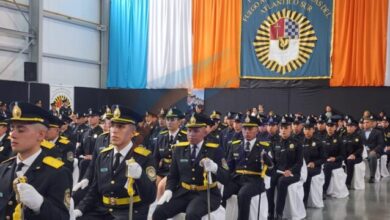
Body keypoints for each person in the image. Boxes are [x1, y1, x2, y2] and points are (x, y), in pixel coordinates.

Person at [74, 105, 157, 220]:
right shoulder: (103, 155)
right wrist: (80, 209)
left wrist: (140, 176)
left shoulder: (144, 157)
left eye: (121, 126)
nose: (114, 130)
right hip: (104, 210)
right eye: (112, 125)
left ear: (133, 133)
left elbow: (150, 197)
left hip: (129, 210)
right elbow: (95, 189)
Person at [0, 102, 72, 220]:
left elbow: (62, 217)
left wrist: (40, 204)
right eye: (12, 128)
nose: (12, 134)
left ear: (41, 135)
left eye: (21, 130)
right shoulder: (4, 168)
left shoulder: (57, 173)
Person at [153, 113, 229, 220]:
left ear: (204, 132)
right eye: (189, 130)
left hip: (205, 194)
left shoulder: (215, 150)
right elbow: (173, 175)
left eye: (196, 131)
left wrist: (215, 168)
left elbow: (226, 177)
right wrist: (169, 190)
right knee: (158, 212)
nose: (191, 134)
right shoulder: (179, 150)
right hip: (183, 192)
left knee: (192, 214)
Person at [223, 115, 273, 220]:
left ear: (257, 130)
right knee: (222, 192)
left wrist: (268, 163)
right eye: (244, 128)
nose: (247, 132)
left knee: (243, 194)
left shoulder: (264, 146)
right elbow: (229, 167)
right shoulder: (235, 145)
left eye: (250, 129)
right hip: (237, 178)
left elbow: (270, 169)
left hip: (255, 180)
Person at [153, 108, 187, 200]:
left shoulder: (185, 137)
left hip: (177, 171)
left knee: (161, 186)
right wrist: (153, 173)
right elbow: (155, 158)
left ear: (179, 122)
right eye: (167, 119)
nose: (169, 122)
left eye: (172, 120)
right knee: (152, 181)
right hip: (163, 170)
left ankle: (158, 209)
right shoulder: (161, 136)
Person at [302, 116, 325, 207]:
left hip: (315, 168)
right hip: (302, 167)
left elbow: (323, 158)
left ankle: (304, 201)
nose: (307, 131)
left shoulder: (318, 143)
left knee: (306, 174)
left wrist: (314, 163)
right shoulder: (299, 142)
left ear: (313, 130)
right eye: (305, 129)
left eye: (309, 129)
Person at [322, 117, 346, 197]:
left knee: (327, 166)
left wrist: (335, 158)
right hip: (324, 161)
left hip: (336, 162)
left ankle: (324, 190)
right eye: (328, 126)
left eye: (332, 126)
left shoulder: (339, 139)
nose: (330, 128)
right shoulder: (322, 139)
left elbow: (343, 155)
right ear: (326, 127)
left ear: (335, 127)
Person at [361, 116, 385, 183]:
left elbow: (381, 144)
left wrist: (374, 150)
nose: (365, 124)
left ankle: (372, 176)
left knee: (372, 155)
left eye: (367, 122)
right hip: (363, 152)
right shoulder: (360, 133)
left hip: (374, 151)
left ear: (371, 124)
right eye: (364, 123)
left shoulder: (378, 132)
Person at [343, 118, 363, 188]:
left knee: (349, 161)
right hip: (345, 156)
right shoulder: (343, 136)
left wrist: (354, 155)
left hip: (356, 157)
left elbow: (360, 148)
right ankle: (341, 181)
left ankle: (348, 183)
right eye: (348, 126)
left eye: (351, 126)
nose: (349, 128)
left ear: (355, 127)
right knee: (341, 160)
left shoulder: (358, 137)